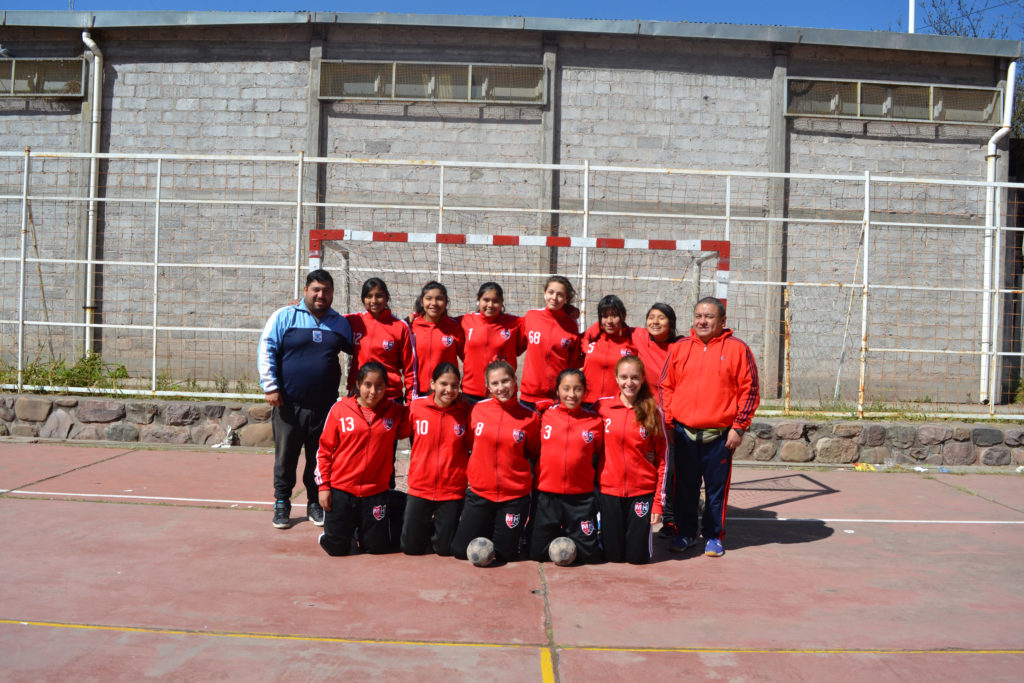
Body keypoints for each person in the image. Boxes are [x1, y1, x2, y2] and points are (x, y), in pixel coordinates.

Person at [661, 296, 759, 558]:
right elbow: (666, 387)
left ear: (722, 321)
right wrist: (669, 423)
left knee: (716, 491)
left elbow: (750, 390)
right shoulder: (680, 348)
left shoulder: (738, 349)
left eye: (709, 316)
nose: (702, 321)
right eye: (698, 316)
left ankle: (714, 536)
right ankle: (685, 533)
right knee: (684, 490)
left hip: (720, 437)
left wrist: (739, 427)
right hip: (684, 434)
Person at [258, 269, 353, 530]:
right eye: (316, 290)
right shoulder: (284, 316)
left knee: (319, 458)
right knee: (285, 457)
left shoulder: (341, 323)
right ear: (306, 291)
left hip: (325, 407)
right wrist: (271, 387)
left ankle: (314, 502)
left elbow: (364, 345)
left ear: (333, 294)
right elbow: (266, 348)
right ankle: (282, 502)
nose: (321, 295)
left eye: (326, 291)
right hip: (288, 404)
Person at [315, 361, 412, 555]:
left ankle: (363, 527)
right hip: (342, 489)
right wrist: (324, 486)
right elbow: (323, 452)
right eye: (368, 384)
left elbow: (419, 413)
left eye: (379, 386)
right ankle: (336, 533)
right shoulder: (340, 410)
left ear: (386, 387)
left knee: (376, 549)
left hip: (375, 491)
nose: (373, 391)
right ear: (358, 385)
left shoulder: (395, 412)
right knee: (336, 550)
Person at [452, 360, 541, 563]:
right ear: (488, 387)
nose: (501, 388)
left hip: (513, 497)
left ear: (515, 380)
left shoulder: (530, 418)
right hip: (481, 494)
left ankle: (510, 531)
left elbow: (533, 452)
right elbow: (469, 444)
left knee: (504, 555)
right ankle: (487, 522)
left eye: (505, 381)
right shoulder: (477, 411)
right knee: (460, 550)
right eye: (495, 383)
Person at [595, 356, 667, 564]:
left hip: (641, 492)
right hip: (609, 491)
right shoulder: (601, 408)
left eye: (635, 377)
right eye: (624, 377)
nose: (629, 382)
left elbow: (663, 459)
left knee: (637, 558)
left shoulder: (653, 412)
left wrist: (657, 504)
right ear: (616, 378)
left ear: (643, 378)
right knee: (613, 557)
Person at [528, 369, 604, 564]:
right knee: (536, 554)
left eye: (578, 389)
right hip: (547, 496)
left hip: (581, 499)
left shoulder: (595, 421)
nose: (572, 394)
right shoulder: (543, 415)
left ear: (585, 392)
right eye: (566, 389)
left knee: (590, 556)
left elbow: (602, 453)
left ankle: (580, 531)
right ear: (557, 391)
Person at [402, 362, 473, 556]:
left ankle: (437, 527)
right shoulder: (417, 407)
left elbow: (472, 444)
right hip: (420, 487)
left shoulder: (465, 412)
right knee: (411, 548)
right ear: (432, 383)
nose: (449, 390)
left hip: (451, 490)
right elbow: (399, 431)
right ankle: (418, 523)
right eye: (443, 384)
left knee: (444, 550)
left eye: (454, 385)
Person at [345, 278, 416, 402]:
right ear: (363, 299)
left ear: (387, 297)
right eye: (369, 296)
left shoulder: (400, 326)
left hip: (390, 396)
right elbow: (328, 316)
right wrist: (301, 303)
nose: (374, 301)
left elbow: (410, 368)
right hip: (359, 394)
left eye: (379, 296)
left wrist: (411, 400)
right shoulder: (354, 320)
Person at [519, 276, 583, 407]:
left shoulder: (571, 325)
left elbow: (573, 362)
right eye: (551, 292)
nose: (554, 297)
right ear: (544, 293)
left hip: (557, 397)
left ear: (566, 299)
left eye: (560, 295)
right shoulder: (531, 316)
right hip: (529, 396)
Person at [459, 282, 525, 403]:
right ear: (478, 299)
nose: (490, 305)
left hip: (502, 392)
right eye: (486, 300)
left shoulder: (515, 323)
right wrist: (415, 316)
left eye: (495, 301)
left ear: (502, 302)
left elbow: (539, 321)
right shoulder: (465, 320)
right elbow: (441, 321)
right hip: (471, 393)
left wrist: (568, 310)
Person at [581, 294, 638, 406]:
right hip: (587, 402)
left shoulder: (632, 341)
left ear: (624, 316)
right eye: (605, 316)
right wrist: (586, 347)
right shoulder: (593, 338)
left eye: (614, 316)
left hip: (616, 405)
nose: (609, 321)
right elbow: (579, 339)